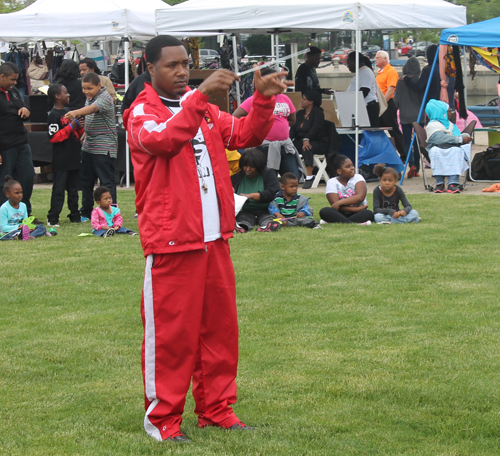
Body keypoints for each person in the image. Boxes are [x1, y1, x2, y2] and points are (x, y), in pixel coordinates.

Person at [123, 35, 292, 442]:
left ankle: (216, 409)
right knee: (171, 337)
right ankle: (163, 421)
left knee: (220, 332)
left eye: (186, 63)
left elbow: (247, 134)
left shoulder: (207, 111)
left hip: (214, 239)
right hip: (171, 242)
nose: (181, 71)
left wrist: (264, 99)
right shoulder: (140, 113)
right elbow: (163, 141)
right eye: (171, 65)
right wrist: (200, 96)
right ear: (149, 69)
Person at [233, 67, 304, 180]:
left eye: (280, 79)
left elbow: (292, 119)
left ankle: (290, 198)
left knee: (292, 177)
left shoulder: (285, 98)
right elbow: (235, 116)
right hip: (264, 148)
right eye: (276, 80)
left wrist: (280, 127)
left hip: (284, 145)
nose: (279, 83)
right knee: (267, 179)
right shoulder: (254, 100)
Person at [65, 71, 118, 221]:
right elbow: (92, 117)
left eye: (89, 88)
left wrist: (75, 112)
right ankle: (86, 213)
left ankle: (111, 213)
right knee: (86, 182)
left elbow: (94, 109)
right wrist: (86, 133)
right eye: (84, 88)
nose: (86, 92)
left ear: (99, 86)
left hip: (103, 147)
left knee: (106, 182)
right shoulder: (90, 98)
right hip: (89, 146)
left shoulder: (105, 97)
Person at [0, 62, 35, 219]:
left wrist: (25, 110)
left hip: (21, 142)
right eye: (12, 80)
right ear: (2, 77)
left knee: (27, 177)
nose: (15, 83)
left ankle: (25, 213)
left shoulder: (13, 91)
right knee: (4, 182)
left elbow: (23, 108)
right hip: (5, 146)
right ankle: (4, 215)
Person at [46, 84, 84, 226]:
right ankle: (53, 217)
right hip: (61, 160)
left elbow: (77, 133)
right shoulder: (53, 115)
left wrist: (80, 127)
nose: (68, 95)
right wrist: (70, 126)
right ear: (57, 96)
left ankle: (75, 215)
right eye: (65, 92)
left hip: (74, 157)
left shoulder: (69, 112)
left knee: (74, 190)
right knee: (59, 190)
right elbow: (54, 137)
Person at [425, 99, 472, 194]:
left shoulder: (451, 125)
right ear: (441, 113)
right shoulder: (432, 126)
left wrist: (464, 137)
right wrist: (460, 140)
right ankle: (440, 183)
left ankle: (453, 183)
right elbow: (440, 139)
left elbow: (457, 136)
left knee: (456, 151)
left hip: (452, 148)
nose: (451, 113)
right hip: (438, 148)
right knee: (436, 151)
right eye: (449, 111)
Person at [231, 148, 281, 232]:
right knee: (244, 219)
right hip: (245, 211)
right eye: (245, 166)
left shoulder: (268, 173)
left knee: (267, 218)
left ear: (258, 166)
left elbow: (272, 193)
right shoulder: (236, 177)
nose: (247, 169)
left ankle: (268, 226)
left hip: (265, 210)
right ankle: (241, 227)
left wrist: (250, 196)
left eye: (251, 166)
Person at [319, 154, 374, 225]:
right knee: (324, 211)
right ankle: (352, 223)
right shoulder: (332, 182)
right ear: (339, 171)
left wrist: (340, 202)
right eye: (348, 166)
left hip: (359, 213)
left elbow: (360, 197)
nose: (352, 168)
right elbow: (335, 205)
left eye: (352, 165)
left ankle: (338, 221)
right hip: (340, 213)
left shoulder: (358, 178)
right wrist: (356, 209)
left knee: (368, 213)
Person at [289, 90, 329, 189]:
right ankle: (292, 174)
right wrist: (287, 140)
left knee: (307, 147)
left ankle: (309, 177)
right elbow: (293, 129)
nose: (301, 101)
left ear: (311, 101)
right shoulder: (299, 114)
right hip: (301, 141)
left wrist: (307, 139)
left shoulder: (318, 112)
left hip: (317, 141)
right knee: (287, 147)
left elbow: (316, 128)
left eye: (304, 99)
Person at [394, 57, 424, 178]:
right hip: (419, 115)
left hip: (405, 114)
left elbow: (396, 98)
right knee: (418, 142)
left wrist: (396, 107)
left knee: (407, 141)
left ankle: (410, 163)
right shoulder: (421, 81)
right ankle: (416, 167)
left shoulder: (401, 81)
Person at [375, 51, 406, 160]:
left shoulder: (391, 71)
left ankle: (404, 154)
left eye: (378, 58)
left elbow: (390, 90)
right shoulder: (380, 72)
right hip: (380, 103)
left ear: (385, 59)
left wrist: (382, 104)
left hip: (387, 103)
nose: (375, 59)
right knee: (377, 129)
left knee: (393, 130)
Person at [1, 176, 46, 240]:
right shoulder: (4, 208)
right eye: (17, 193)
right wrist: (18, 227)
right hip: (10, 231)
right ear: (8, 194)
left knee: (41, 227)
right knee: (5, 236)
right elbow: (4, 227)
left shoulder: (23, 206)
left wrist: (29, 227)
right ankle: (22, 236)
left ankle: (27, 235)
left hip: (22, 229)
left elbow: (26, 221)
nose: (20, 195)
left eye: (21, 192)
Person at [346, 51, 379, 127]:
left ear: (355, 62)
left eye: (348, 63)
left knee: (368, 132)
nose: (348, 66)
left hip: (369, 108)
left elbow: (364, 91)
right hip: (363, 107)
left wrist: (350, 99)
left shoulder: (366, 72)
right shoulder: (360, 72)